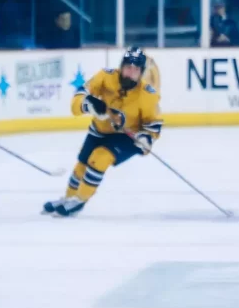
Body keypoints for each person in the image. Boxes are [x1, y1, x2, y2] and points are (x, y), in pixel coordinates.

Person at [43, 47, 163, 217]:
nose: (131, 73)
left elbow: (154, 124)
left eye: (136, 70)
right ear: (121, 66)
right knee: (81, 166)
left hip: (128, 136)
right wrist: (87, 104)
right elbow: (78, 97)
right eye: (128, 67)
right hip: (99, 130)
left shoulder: (147, 94)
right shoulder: (105, 77)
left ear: (142, 72)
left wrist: (147, 137)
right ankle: (69, 197)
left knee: (99, 158)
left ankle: (80, 200)